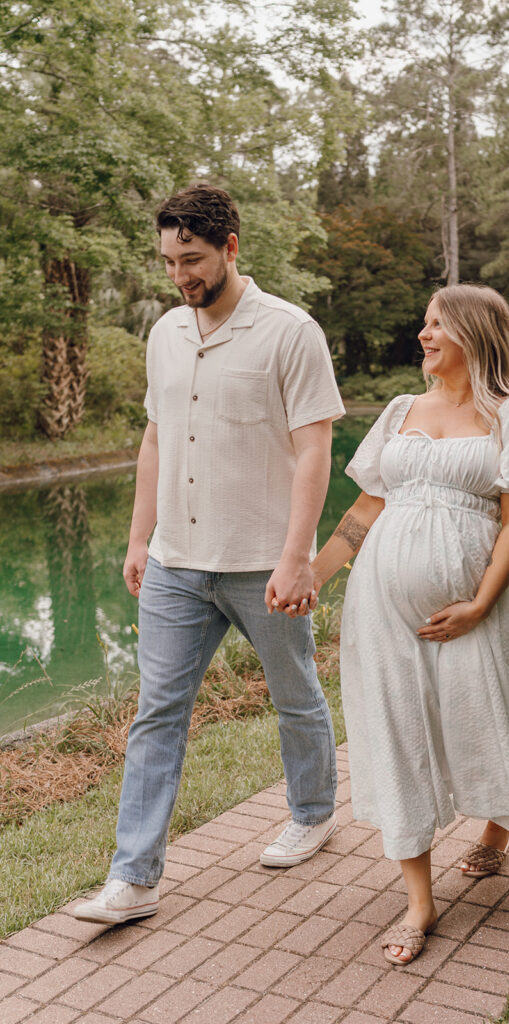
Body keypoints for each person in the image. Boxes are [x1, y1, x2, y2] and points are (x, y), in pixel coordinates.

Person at [74, 183, 345, 925]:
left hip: (263, 560)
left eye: (190, 259)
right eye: (167, 261)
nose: (179, 276)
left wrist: (297, 557)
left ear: (229, 248)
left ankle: (314, 811)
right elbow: (156, 438)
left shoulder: (290, 332)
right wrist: (139, 537)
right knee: (157, 712)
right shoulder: (165, 333)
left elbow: (313, 448)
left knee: (294, 695)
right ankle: (133, 879)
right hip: (175, 561)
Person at [305, 283, 509, 965]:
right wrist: (310, 578)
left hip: (472, 606)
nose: (422, 334)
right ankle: (418, 900)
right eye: (423, 324)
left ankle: (496, 832)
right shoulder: (401, 410)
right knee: (396, 731)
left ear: (471, 332)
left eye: (435, 324)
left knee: (488, 715)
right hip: (382, 609)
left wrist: (479, 603)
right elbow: (365, 507)